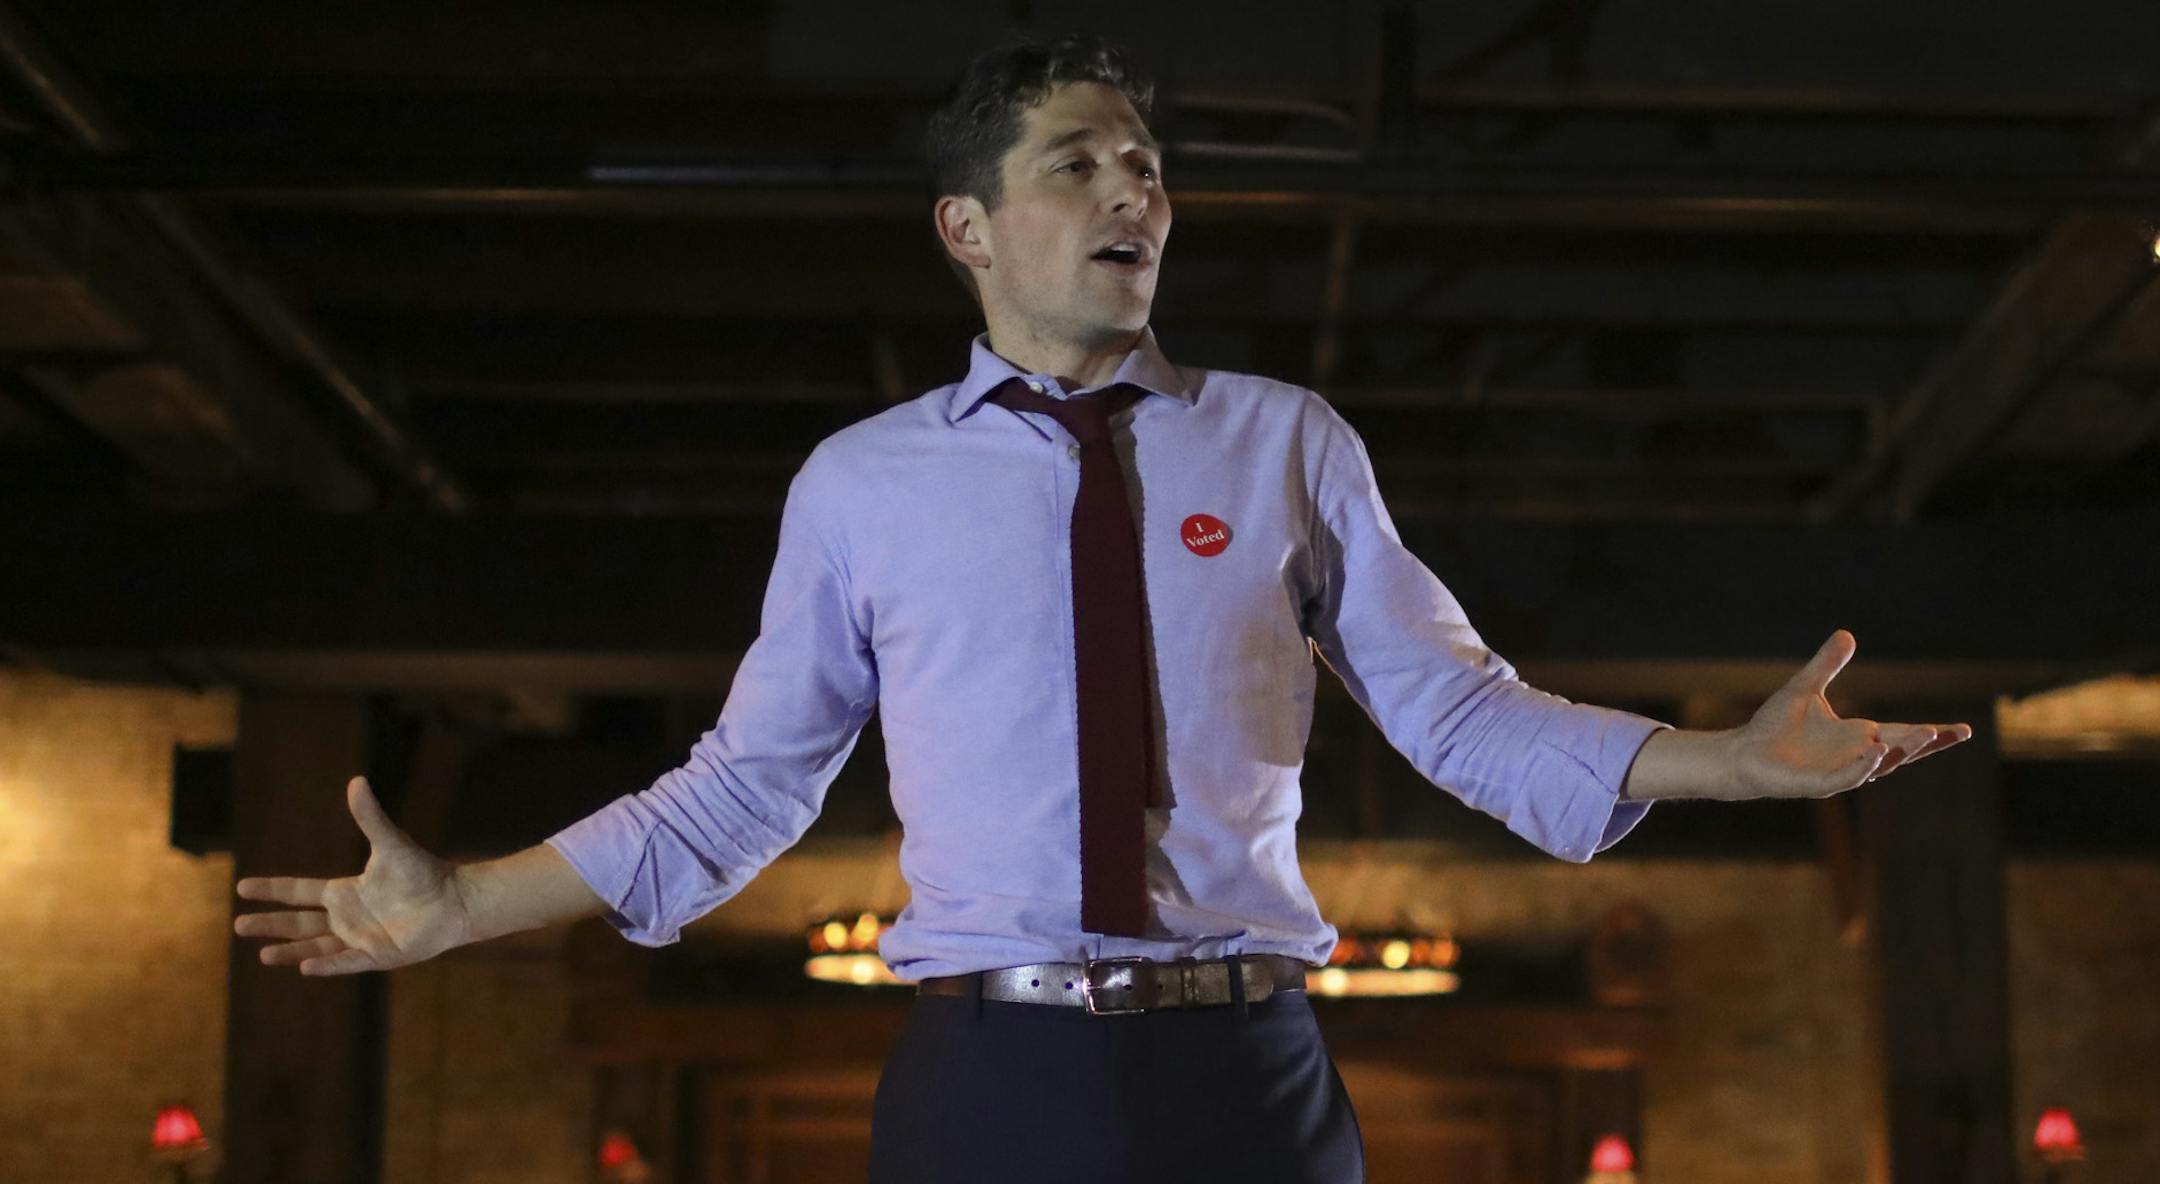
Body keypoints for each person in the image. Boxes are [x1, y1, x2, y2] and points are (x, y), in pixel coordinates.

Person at [233, 33, 1973, 1183]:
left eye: (1146, 164)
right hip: (988, 1082)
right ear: (967, 227)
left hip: (1252, 1073)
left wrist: (1724, 769)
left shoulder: (1287, 440)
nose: (1135, 190)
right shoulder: (860, 484)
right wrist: (465, 900)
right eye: (1079, 164)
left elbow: (1452, 705)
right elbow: (745, 786)